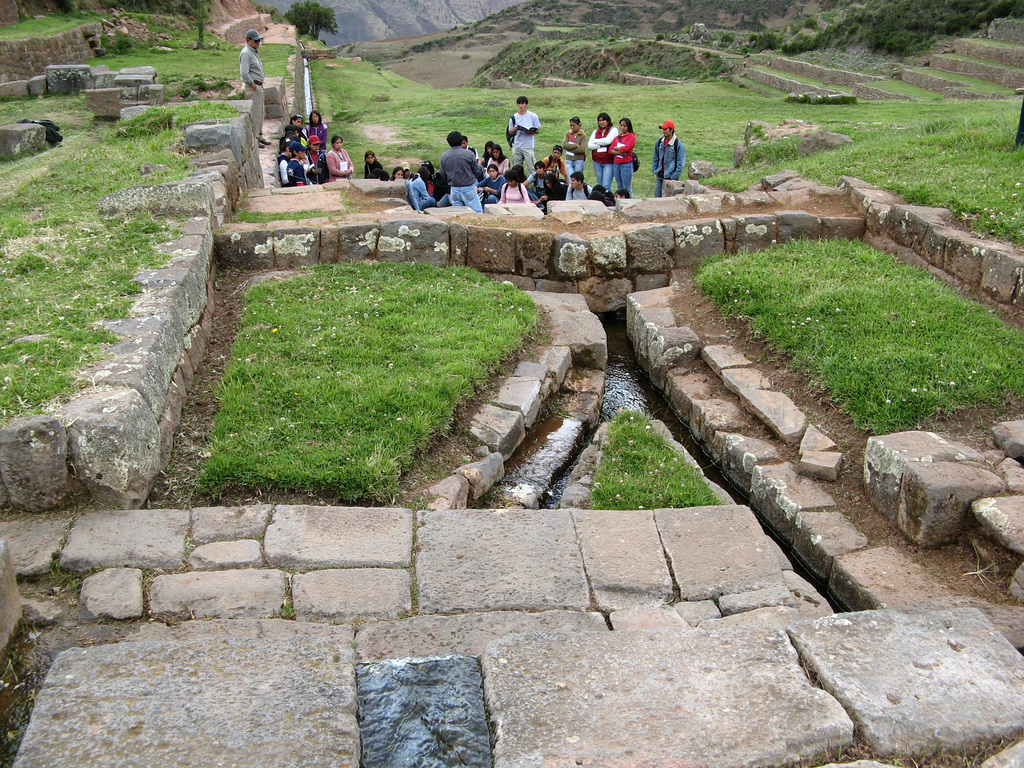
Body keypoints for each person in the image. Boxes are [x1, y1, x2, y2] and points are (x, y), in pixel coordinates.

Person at [239, 29, 271, 147]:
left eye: (259, 40)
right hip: (253, 87)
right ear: (248, 41)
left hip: (258, 85)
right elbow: (244, 72)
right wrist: (252, 84)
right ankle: (254, 138)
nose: (258, 42)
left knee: (260, 112)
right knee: (254, 113)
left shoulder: (253, 51)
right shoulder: (246, 53)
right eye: (255, 41)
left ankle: (259, 134)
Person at [439, 130, 485, 213]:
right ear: (461, 141)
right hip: (468, 187)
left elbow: (442, 173)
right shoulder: (468, 154)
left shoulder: (444, 156)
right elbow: (477, 170)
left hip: (454, 189)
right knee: (478, 212)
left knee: (459, 214)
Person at [651, 119, 686, 198]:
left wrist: (674, 177)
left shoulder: (678, 145)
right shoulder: (659, 142)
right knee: (657, 197)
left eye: (666, 129)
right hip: (660, 175)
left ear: (671, 130)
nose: (664, 131)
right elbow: (655, 157)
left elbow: (681, 164)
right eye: (663, 129)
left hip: (670, 177)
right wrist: (655, 170)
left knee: (669, 199)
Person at [508, 95, 540, 171]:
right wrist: (515, 129)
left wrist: (530, 131)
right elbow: (510, 132)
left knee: (532, 167)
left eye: (523, 103)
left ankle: (533, 182)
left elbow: (537, 130)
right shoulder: (514, 117)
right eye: (519, 104)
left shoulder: (533, 116)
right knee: (516, 168)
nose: (521, 106)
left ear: (526, 105)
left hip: (528, 145)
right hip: (517, 145)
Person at [587, 112, 618, 191]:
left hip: (608, 162)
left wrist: (595, 141)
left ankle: (607, 201)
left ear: (608, 121)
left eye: (603, 120)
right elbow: (589, 146)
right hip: (597, 161)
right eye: (599, 121)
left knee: (606, 185)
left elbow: (607, 141)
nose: (601, 122)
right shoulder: (596, 131)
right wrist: (600, 145)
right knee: (600, 184)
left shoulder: (613, 130)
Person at [610, 117, 636, 198]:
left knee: (627, 187)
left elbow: (627, 148)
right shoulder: (617, 137)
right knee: (619, 187)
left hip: (626, 164)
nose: (623, 128)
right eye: (621, 126)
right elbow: (610, 150)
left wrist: (617, 149)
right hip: (617, 163)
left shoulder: (631, 136)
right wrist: (620, 152)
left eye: (625, 126)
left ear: (628, 126)